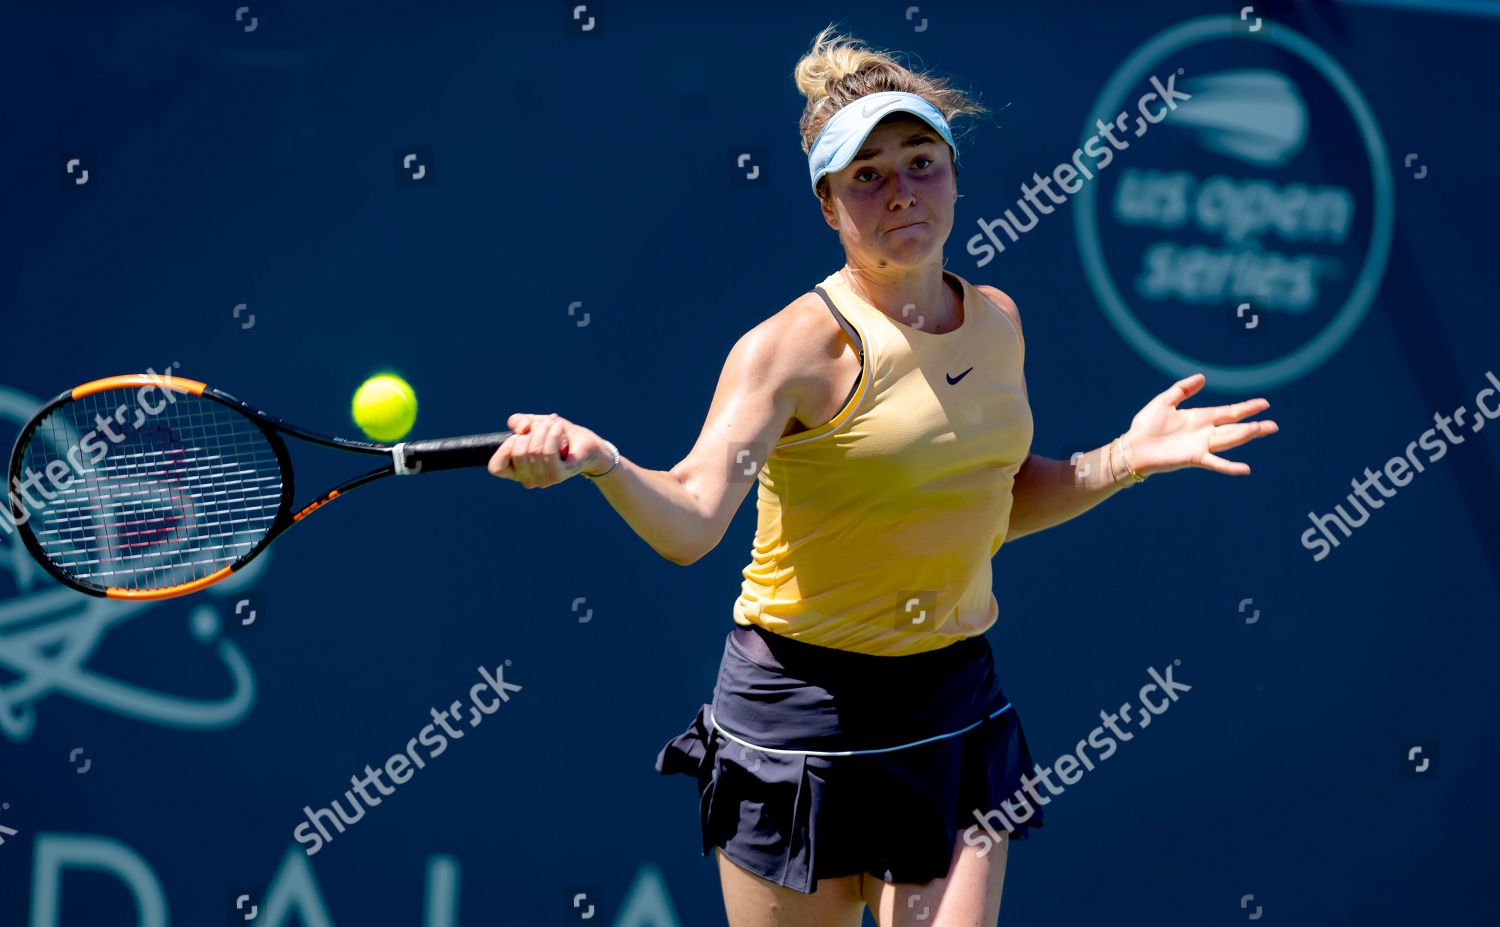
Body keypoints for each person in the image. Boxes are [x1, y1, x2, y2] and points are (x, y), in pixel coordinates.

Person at [485, 25, 1278, 927]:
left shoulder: (999, 321)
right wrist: (605, 465)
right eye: (866, 175)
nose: (901, 190)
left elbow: (995, 498)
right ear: (829, 206)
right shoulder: (790, 350)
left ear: (953, 174)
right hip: (797, 718)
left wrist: (1121, 459)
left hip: (951, 703)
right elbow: (694, 519)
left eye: (920, 160)